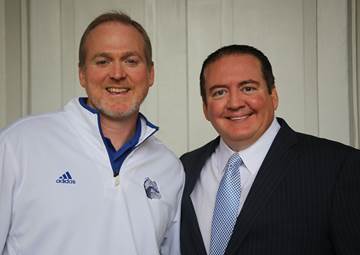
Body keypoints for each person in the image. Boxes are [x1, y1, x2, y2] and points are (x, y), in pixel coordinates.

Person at [0, 11, 184, 255]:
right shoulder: (19, 144)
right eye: (102, 61)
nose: (117, 74)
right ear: (82, 74)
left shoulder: (169, 168)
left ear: (150, 74)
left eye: (131, 60)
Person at [180, 44, 360, 255]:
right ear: (205, 108)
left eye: (248, 88)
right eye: (219, 92)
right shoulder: (184, 168)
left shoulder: (340, 167)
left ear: (273, 96)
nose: (235, 103)